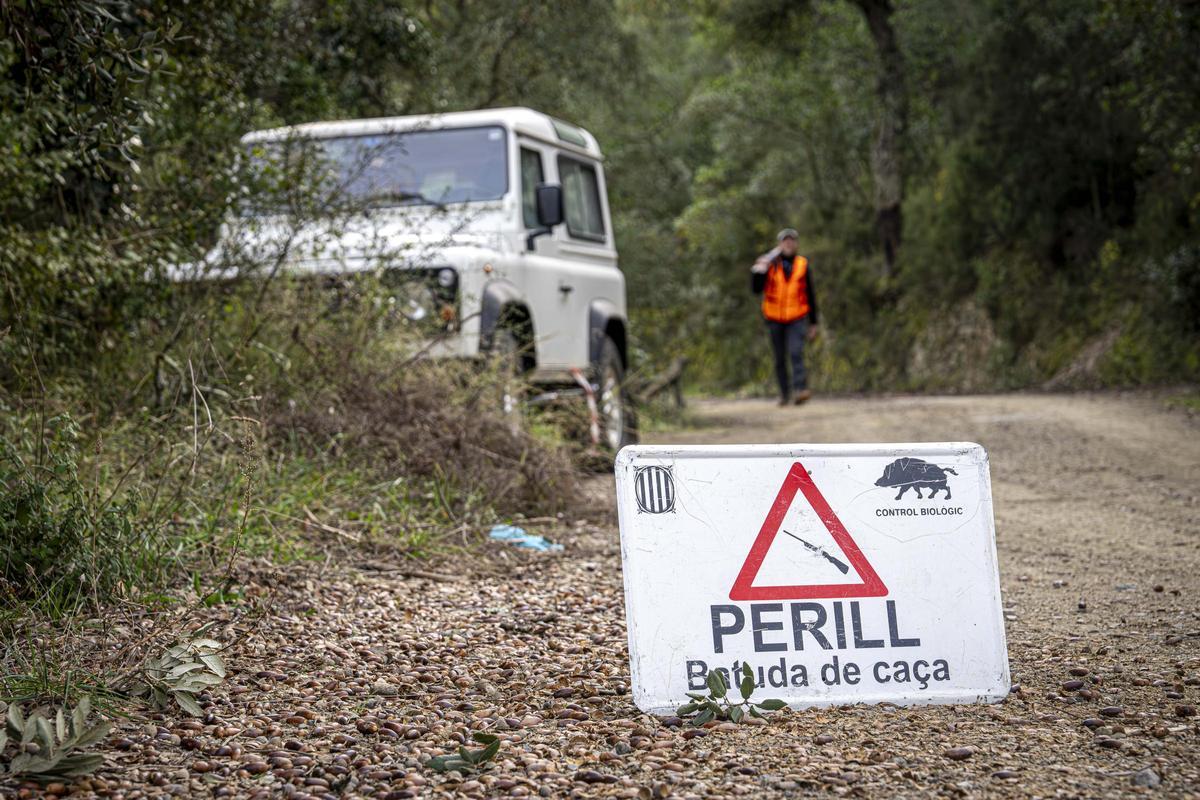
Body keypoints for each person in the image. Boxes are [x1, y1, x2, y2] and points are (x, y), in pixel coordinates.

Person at [751, 228, 820, 406]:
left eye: (792, 241)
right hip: (774, 318)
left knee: (796, 352)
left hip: (797, 317)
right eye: (785, 241)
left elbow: (811, 294)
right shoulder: (770, 264)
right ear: (780, 244)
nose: (789, 244)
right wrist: (759, 271)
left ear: (796, 244)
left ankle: (800, 390)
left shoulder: (802, 264)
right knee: (779, 358)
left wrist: (813, 323)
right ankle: (784, 394)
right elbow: (756, 289)